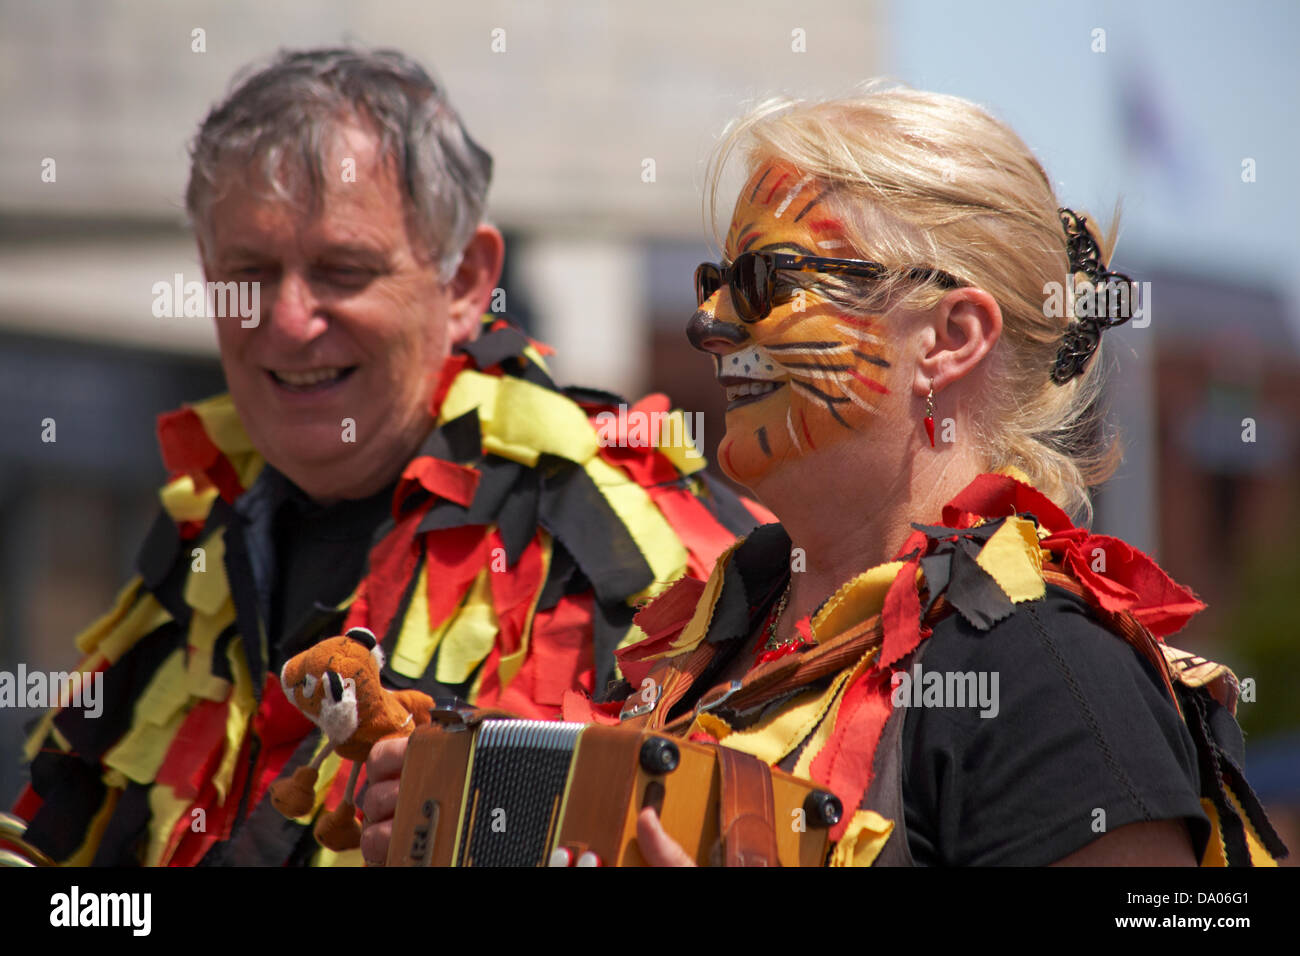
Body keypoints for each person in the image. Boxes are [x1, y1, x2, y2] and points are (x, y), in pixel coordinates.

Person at [5, 47, 767, 867]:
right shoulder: (197, 541)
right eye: (249, 273)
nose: (290, 320)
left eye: (343, 270)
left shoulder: (650, 546)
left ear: (468, 281)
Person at [601, 84, 1285, 866]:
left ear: (948, 339)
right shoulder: (706, 640)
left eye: (765, 282)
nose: (710, 325)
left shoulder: (1053, 677)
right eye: (711, 282)